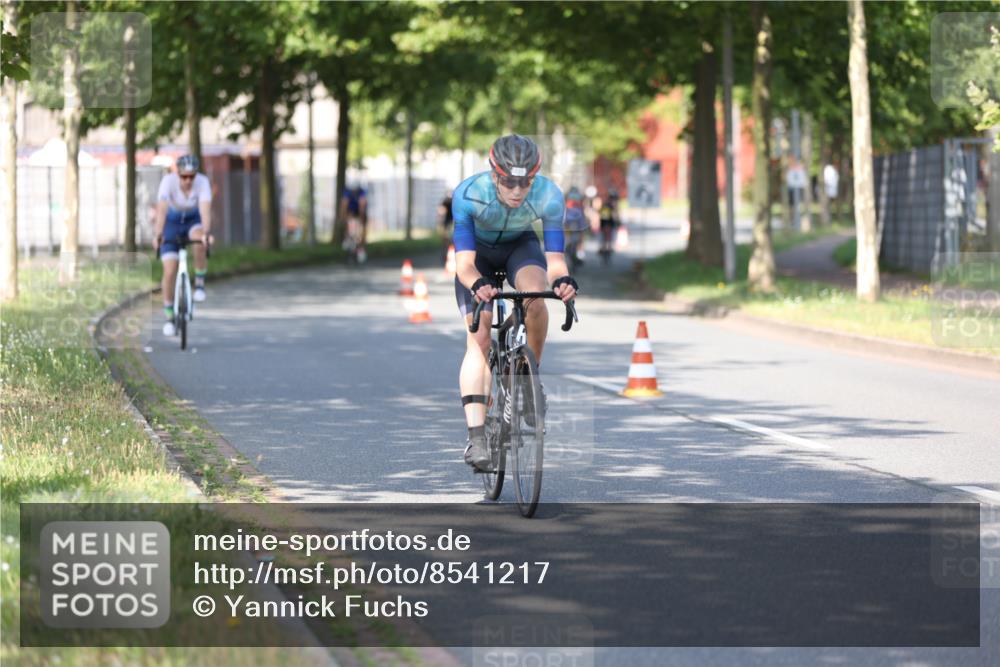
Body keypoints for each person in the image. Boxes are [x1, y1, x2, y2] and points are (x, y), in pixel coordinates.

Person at [452, 134, 578, 471]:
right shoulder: (468, 195)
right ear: (494, 175)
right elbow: (463, 264)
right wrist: (477, 284)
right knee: (478, 337)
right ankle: (477, 438)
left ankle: (528, 379)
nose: (518, 191)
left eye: (525, 182)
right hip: (477, 256)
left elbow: (555, 260)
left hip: (519, 247)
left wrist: (562, 281)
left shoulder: (549, 196)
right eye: (509, 182)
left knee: (536, 299)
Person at [153, 154, 211, 337]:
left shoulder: (202, 182)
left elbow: (205, 210)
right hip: (171, 222)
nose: (188, 180)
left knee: (199, 239)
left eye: (191, 176)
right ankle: (169, 316)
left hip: (192, 220)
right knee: (170, 270)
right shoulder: (168, 182)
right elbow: (161, 210)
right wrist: (158, 234)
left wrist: (206, 234)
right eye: (184, 176)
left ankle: (200, 283)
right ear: (178, 174)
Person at [339, 183, 368, 261]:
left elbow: (362, 207)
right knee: (350, 230)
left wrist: (362, 220)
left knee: (360, 232)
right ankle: (350, 246)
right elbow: (344, 206)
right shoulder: (347, 194)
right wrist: (344, 218)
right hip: (350, 212)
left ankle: (361, 248)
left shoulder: (361, 193)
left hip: (358, 213)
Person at [563, 186, 588, 271]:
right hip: (573, 225)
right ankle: (577, 257)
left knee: (572, 244)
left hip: (572, 225)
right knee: (573, 244)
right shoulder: (578, 205)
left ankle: (576, 258)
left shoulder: (571, 204)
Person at [438, 188, 454, 261]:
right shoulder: (455, 200)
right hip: (453, 223)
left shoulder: (445, 200)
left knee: (446, 240)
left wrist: (440, 221)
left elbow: (441, 211)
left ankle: (446, 256)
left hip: (448, 223)